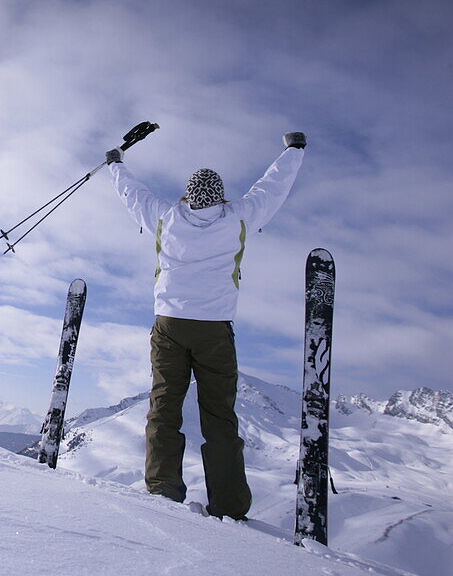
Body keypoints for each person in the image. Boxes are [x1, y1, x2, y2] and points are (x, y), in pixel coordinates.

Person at [104, 132, 306, 520]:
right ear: (221, 196)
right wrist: (293, 150)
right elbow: (272, 185)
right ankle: (228, 505)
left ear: (187, 195)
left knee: (164, 406)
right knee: (219, 416)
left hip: (169, 326)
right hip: (214, 328)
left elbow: (133, 193)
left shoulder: (165, 216)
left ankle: (163, 488)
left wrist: (116, 163)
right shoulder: (240, 216)